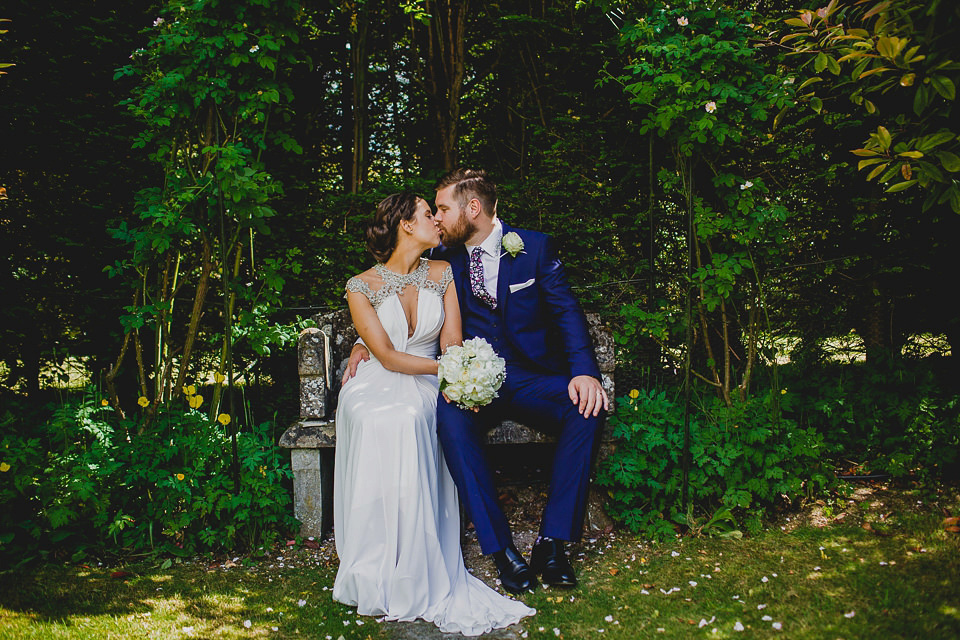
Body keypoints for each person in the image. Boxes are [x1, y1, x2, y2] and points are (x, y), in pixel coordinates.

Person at [345, 170, 609, 595]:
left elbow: (566, 313)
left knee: (586, 408)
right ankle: (501, 550)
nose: (439, 218)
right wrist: (364, 342)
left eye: (444, 209)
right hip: (471, 381)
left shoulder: (535, 248)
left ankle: (553, 543)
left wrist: (583, 372)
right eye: (434, 212)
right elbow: (396, 289)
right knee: (450, 421)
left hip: (530, 377)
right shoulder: (445, 261)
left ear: (473, 209)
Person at [332, 192, 535, 636]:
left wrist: (459, 372)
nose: (437, 222)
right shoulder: (359, 285)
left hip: (426, 375)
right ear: (406, 224)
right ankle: (379, 557)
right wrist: (445, 368)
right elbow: (384, 354)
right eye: (429, 215)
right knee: (376, 414)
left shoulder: (442, 274)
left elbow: (451, 341)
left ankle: (418, 555)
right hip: (383, 377)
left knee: (412, 415)